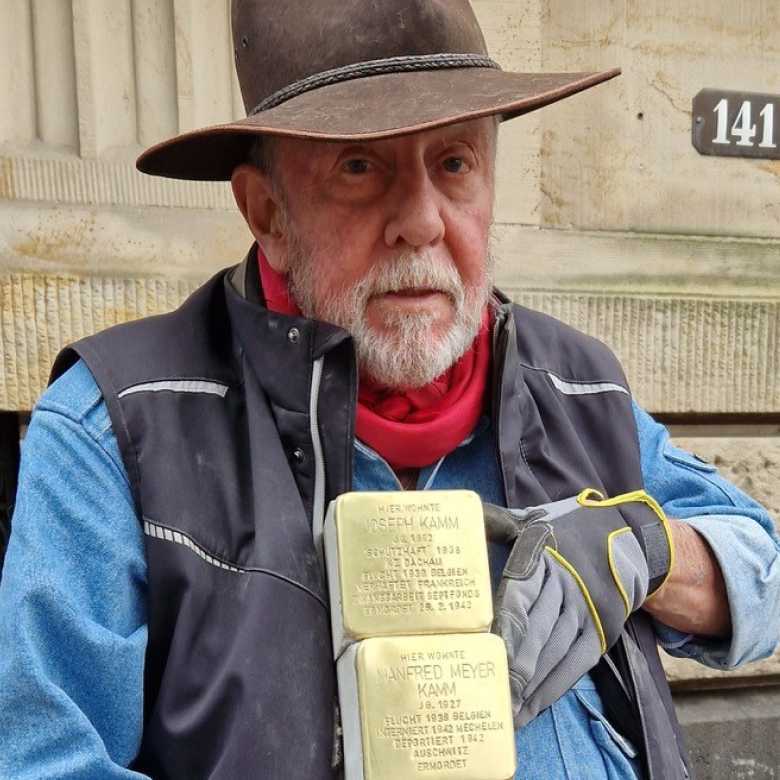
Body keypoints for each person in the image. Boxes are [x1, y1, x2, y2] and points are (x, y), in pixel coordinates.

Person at [0, 1, 778, 778]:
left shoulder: (576, 387)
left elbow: (765, 571)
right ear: (266, 210)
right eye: (361, 167)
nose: (421, 222)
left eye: (454, 164)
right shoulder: (114, 429)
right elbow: (48, 760)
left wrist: (646, 548)